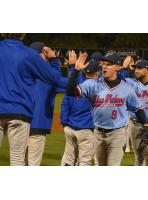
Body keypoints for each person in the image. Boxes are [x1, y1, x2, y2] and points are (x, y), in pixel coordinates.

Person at [67, 52, 148, 166]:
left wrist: (144, 126)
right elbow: (70, 92)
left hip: (118, 134)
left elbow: (138, 109)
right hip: (98, 133)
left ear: (117, 67)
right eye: (103, 64)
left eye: (109, 64)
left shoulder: (127, 88)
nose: (104, 66)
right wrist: (75, 70)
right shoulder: (92, 84)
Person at [0, 34, 67, 166]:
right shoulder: (29, 54)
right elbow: (56, 78)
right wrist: (53, 59)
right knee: (17, 160)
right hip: (19, 112)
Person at [26, 42, 67, 166]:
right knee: (33, 164)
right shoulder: (47, 75)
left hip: (19, 123)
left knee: (18, 162)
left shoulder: (22, 71)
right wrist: (54, 60)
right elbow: (64, 84)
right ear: (43, 54)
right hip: (37, 125)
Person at [61, 59, 100, 166]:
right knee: (85, 161)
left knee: (69, 159)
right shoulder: (97, 86)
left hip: (69, 128)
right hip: (86, 129)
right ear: (97, 73)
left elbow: (65, 103)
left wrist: (64, 124)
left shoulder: (73, 85)